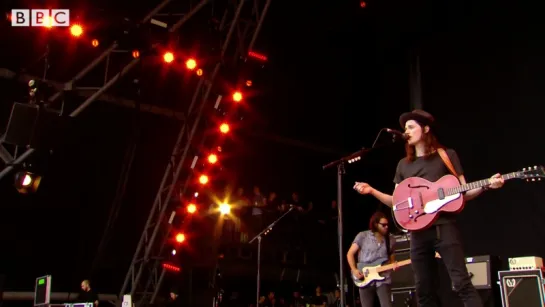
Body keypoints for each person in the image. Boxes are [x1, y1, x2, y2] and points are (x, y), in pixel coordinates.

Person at [353, 109, 505, 307]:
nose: (406, 131)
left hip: (444, 228)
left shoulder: (446, 156)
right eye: (404, 128)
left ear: (425, 129)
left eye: (410, 127)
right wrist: (372, 190)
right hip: (418, 233)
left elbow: (464, 193)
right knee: (423, 289)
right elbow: (396, 202)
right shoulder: (403, 165)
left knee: (461, 283)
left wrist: (486, 185)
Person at [347, 211, 396, 307]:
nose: (386, 227)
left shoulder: (391, 239)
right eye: (383, 225)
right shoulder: (362, 236)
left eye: (387, 225)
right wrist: (354, 270)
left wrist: (393, 264)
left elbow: (392, 257)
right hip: (365, 276)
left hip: (383, 278)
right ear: (375, 224)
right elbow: (350, 254)